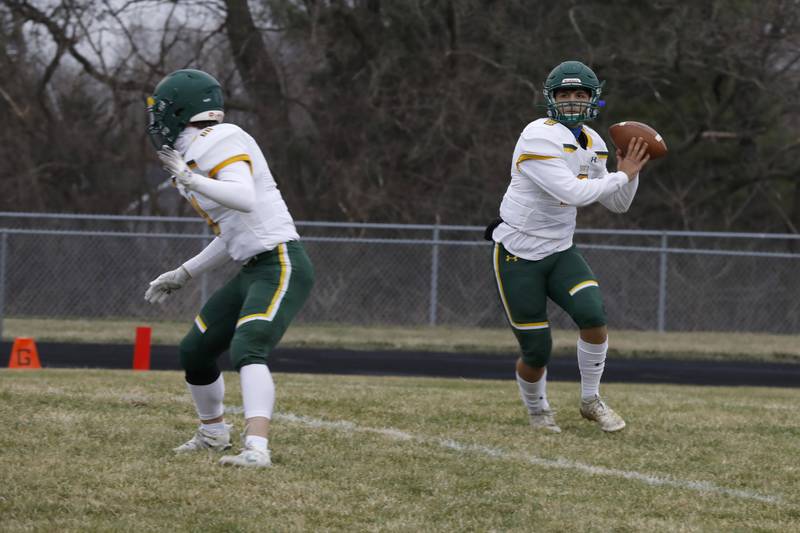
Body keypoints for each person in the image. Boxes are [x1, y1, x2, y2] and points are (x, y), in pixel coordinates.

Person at [144, 69, 314, 466]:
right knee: (195, 350)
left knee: (248, 346)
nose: (157, 120)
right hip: (253, 264)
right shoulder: (192, 152)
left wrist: (190, 178)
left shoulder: (221, 137)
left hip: (281, 261)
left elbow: (244, 198)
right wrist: (183, 273)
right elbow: (232, 234)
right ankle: (213, 434)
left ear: (183, 109)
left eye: (163, 110)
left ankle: (257, 448)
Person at [486, 60, 649, 433]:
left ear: (594, 99)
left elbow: (618, 203)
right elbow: (571, 192)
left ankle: (591, 400)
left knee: (593, 316)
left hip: (560, 250)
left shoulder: (592, 141)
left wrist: (632, 173)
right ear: (550, 98)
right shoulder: (536, 135)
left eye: (580, 94)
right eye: (565, 94)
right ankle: (538, 409)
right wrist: (622, 175)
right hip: (518, 253)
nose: (573, 101)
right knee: (537, 350)